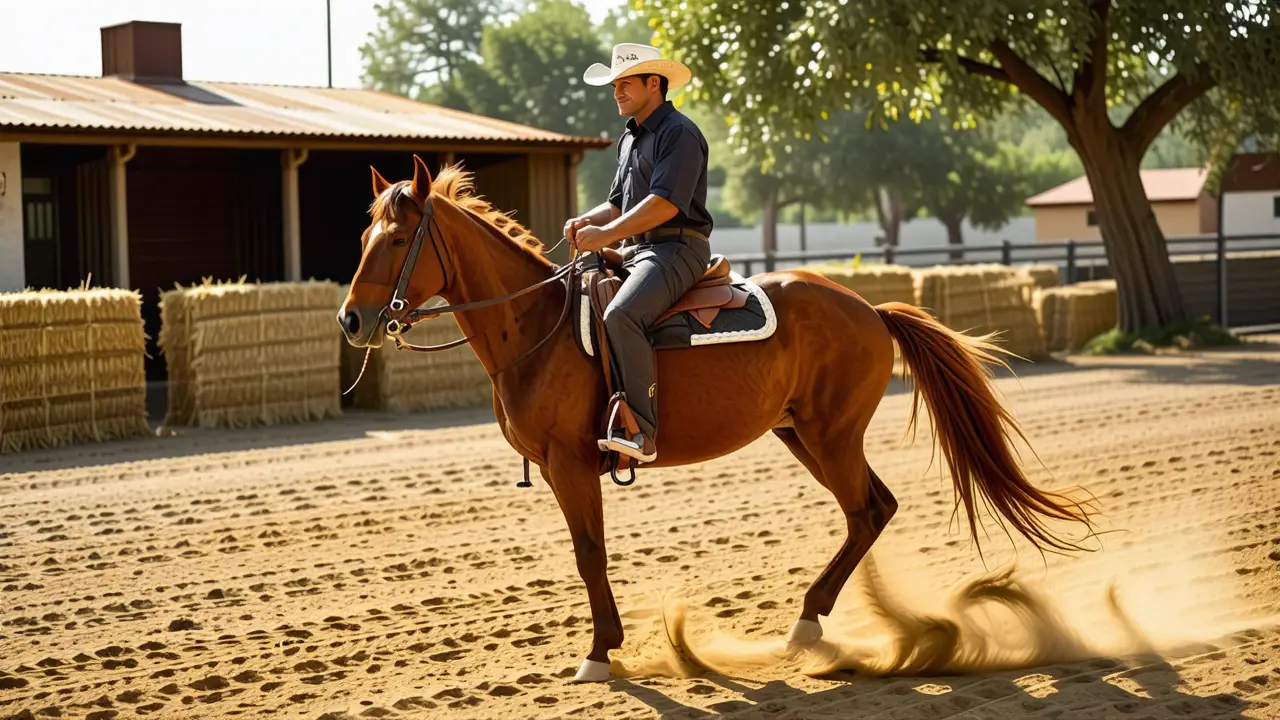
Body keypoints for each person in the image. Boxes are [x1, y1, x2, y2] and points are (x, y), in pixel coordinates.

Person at [565, 43, 715, 465]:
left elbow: (664, 203)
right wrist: (585, 220)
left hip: (677, 249)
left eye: (624, 83)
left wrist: (606, 235)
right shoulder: (630, 138)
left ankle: (641, 432)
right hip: (639, 251)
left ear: (654, 83)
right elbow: (617, 205)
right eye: (613, 85)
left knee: (622, 314)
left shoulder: (679, 133)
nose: (616, 92)